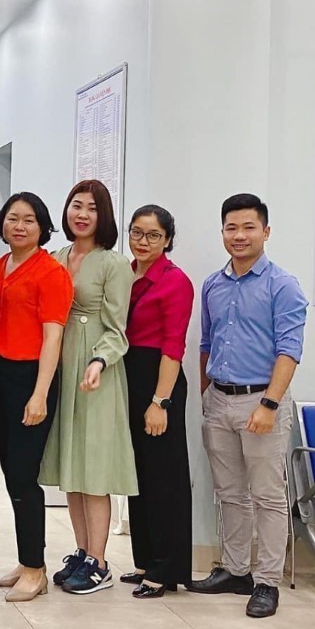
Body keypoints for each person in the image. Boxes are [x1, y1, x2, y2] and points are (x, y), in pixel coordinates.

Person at [189, 192, 307, 619]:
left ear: (266, 232)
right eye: (231, 228)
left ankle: (267, 581)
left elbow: (289, 350)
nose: (239, 235)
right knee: (229, 493)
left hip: (262, 401)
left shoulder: (283, 285)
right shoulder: (213, 285)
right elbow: (206, 343)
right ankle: (236, 570)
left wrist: (270, 404)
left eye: (248, 227)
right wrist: (205, 394)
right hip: (219, 399)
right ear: (222, 232)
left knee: (268, 496)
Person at [40, 180, 137, 595]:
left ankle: (99, 562)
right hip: (62, 365)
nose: (82, 214)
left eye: (92, 208)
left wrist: (98, 361)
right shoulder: (56, 257)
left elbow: (118, 329)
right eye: (76, 205)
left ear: (104, 216)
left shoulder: (114, 264)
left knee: (94, 466)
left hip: (97, 371)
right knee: (73, 465)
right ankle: (82, 552)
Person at [0, 192, 73, 603]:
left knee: (23, 475)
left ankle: (36, 569)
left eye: (29, 220)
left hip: (30, 379)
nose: (18, 226)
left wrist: (40, 394)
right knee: (11, 472)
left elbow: (53, 337)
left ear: (42, 227)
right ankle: (26, 560)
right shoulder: (0, 265)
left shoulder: (51, 272)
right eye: (12, 218)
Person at [120, 205, 194, 599]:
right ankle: (145, 560)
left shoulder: (175, 281)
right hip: (129, 377)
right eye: (137, 232)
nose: (143, 241)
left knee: (164, 477)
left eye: (153, 235)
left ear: (167, 239)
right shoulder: (125, 273)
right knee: (139, 474)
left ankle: (166, 569)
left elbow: (173, 346)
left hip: (159, 380)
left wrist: (160, 401)